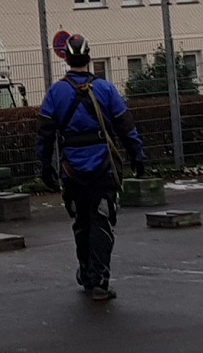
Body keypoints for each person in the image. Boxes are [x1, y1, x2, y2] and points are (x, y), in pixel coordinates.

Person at [36, 32, 146, 301]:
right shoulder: (106, 89)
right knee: (102, 222)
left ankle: (86, 272)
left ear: (66, 58)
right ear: (89, 56)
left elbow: (44, 134)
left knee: (82, 222)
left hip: (71, 170)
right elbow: (125, 126)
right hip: (102, 168)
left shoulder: (56, 92)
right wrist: (137, 156)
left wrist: (45, 167)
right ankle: (99, 281)